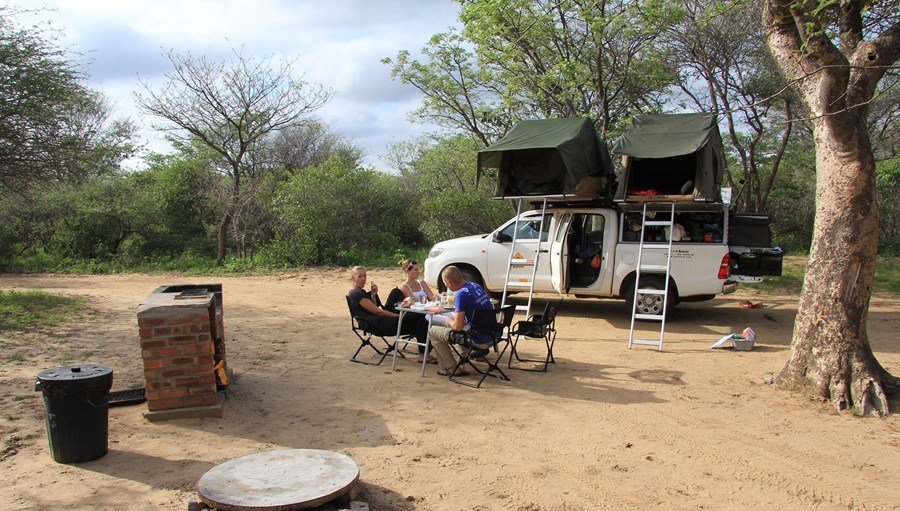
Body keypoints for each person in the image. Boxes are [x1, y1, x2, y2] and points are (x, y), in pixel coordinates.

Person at [346, 266, 433, 364]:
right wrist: (398, 316)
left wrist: (374, 294)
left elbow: (374, 308)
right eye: (360, 276)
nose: (363, 279)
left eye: (365, 276)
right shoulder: (356, 294)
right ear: (353, 278)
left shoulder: (361, 292)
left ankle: (424, 352)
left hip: (379, 320)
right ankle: (423, 354)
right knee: (419, 317)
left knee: (397, 293)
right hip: (376, 325)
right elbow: (378, 312)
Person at [428, 265, 494, 376]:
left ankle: (451, 367)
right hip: (492, 334)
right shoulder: (476, 286)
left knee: (433, 331)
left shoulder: (460, 294)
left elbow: (457, 327)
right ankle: (461, 364)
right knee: (464, 327)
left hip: (478, 338)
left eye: (444, 283)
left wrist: (447, 320)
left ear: (448, 283)